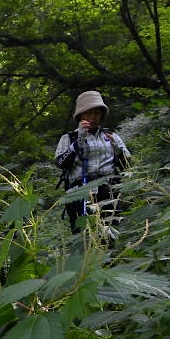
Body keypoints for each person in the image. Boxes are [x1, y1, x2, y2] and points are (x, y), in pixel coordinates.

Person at [54, 90, 131, 232]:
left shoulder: (110, 136)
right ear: (80, 115)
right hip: (79, 192)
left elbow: (127, 166)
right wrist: (79, 141)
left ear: (101, 115)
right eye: (88, 113)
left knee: (109, 233)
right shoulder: (68, 138)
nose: (92, 117)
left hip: (109, 191)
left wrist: (118, 150)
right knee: (83, 236)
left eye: (96, 113)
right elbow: (61, 163)